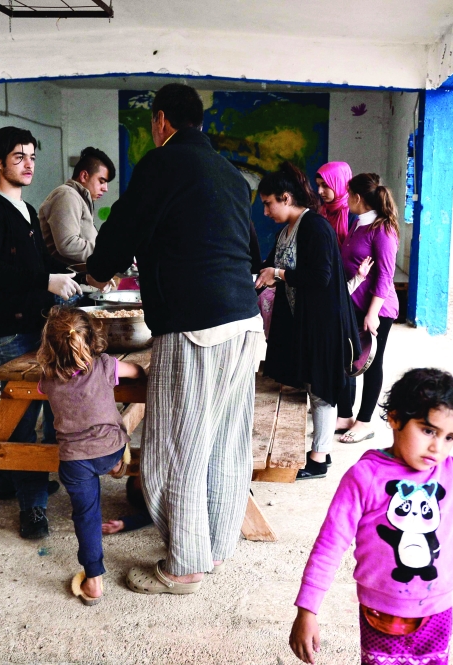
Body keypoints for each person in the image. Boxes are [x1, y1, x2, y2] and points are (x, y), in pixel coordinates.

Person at [87, 83, 263, 596]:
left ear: (160, 121)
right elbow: (250, 253)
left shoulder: (162, 164)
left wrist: (98, 273)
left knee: (178, 444)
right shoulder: (230, 174)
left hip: (195, 326)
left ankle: (184, 566)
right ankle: (213, 547)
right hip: (245, 324)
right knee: (224, 443)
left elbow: (121, 229)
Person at [289, 368, 453, 665]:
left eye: (450, 437)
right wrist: (307, 610)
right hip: (381, 614)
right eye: (428, 430)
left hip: (439, 610)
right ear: (395, 418)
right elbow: (330, 545)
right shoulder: (365, 477)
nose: (437, 447)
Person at [0, 126, 82, 540]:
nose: (29, 164)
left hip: (36, 321)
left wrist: (74, 274)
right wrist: (45, 282)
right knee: (23, 414)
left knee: (27, 407)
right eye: (19, 157)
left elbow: (40, 261)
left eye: (32, 156)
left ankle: (6, 480)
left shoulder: (27, 209)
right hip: (9, 324)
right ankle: (32, 506)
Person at [255, 162, 361, 481]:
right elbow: (269, 265)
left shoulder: (314, 226)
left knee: (322, 388)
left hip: (324, 322)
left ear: (286, 198)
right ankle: (319, 451)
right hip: (306, 320)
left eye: (267, 203)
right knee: (313, 387)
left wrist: (279, 275)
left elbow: (319, 276)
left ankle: (319, 457)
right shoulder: (287, 230)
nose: (265, 211)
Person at [36, 306, 144, 605]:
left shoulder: (47, 378)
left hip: (75, 461)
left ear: (49, 346)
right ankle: (117, 467)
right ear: (92, 337)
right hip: (110, 451)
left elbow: (45, 387)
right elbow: (136, 371)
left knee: (86, 516)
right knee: (122, 429)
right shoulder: (106, 365)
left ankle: (94, 582)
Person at [337, 173, 401, 445]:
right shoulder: (357, 224)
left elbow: (386, 276)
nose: (345, 198)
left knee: (372, 363)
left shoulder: (383, 229)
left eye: (347, 193)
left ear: (357, 197)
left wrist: (372, 313)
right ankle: (345, 415)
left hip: (377, 309)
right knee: (348, 359)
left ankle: (364, 422)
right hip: (354, 304)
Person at [38, 147, 116, 266]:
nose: (105, 188)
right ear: (84, 176)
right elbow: (68, 244)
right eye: (101, 181)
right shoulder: (67, 194)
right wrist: (110, 253)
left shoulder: (80, 198)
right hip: (65, 279)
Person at [315, 161, 353, 247]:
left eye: (325, 185)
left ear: (340, 183)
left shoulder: (353, 214)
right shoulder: (321, 212)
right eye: (318, 185)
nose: (319, 191)